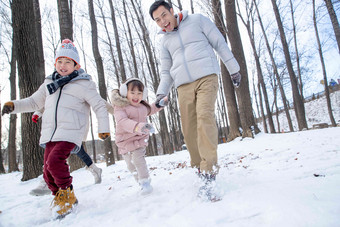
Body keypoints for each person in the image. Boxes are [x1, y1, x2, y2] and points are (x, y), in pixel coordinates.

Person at [1, 39, 110, 217]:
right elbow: (34, 101)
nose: (63, 65)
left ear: (76, 65)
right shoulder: (49, 84)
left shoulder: (84, 84)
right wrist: (13, 106)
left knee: (54, 162)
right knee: (47, 172)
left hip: (71, 132)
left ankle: (67, 193)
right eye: (60, 61)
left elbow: (99, 105)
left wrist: (103, 128)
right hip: (50, 133)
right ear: (55, 63)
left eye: (68, 62)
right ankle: (60, 196)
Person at [149, 0, 241, 201]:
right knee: (189, 130)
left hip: (207, 76)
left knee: (204, 117)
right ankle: (200, 167)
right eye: (157, 20)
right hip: (183, 86)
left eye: (164, 15)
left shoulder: (197, 20)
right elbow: (166, 72)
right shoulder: (164, 42)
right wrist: (160, 95)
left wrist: (233, 69)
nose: (162, 21)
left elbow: (219, 43)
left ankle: (209, 171)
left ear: (172, 11)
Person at [111, 78, 167, 195]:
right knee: (131, 166)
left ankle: (145, 182)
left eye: (139, 93)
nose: (136, 96)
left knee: (138, 160)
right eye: (132, 93)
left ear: (143, 94)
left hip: (139, 139)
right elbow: (122, 121)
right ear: (125, 92)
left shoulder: (143, 107)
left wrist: (159, 104)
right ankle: (140, 182)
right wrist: (138, 126)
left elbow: (151, 109)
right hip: (125, 141)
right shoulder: (120, 107)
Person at [29, 110, 103, 197]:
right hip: (55, 127)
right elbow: (48, 102)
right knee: (53, 154)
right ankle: (46, 181)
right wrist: (37, 113)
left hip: (70, 126)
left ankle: (95, 170)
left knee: (78, 153)